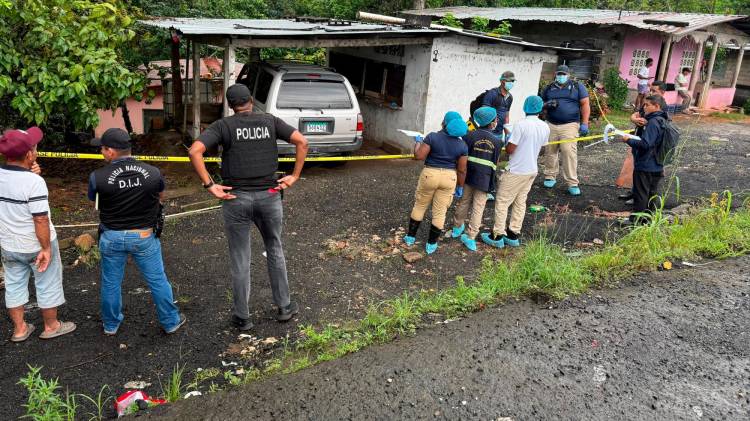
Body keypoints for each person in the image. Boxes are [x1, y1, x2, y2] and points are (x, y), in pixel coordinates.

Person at [188, 84, 309, 331]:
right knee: (274, 247)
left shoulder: (224, 126)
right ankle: (284, 307)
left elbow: (195, 151)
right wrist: (294, 176)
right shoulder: (269, 121)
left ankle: (242, 317)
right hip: (270, 196)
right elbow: (302, 141)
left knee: (240, 257)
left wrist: (210, 185)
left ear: (230, 105)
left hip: (236, 199)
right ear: (251, 100)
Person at [88, 128, 185, 335]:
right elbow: (160, 196)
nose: (101, 153)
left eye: (103, 149)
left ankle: (111, 325)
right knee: (157, 279)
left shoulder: (97, 177)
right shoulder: (153, 172)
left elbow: (94, 201)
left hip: (111, 236)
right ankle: (170, 321)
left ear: (112, 152)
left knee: (111, 282)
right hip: (143, 236)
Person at [0, 127, 76, 342]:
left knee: (14, 284)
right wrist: (45, 248)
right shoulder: (34, 183)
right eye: (34, 147)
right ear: (28, 155)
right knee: (47, 280)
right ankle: (51, 326)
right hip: (36, 244)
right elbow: (40, 218)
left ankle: (20, 329)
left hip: (9, 244)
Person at [482, 96, 550, 248]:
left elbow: (511, 149)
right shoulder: (545, 126)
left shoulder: (520, 125)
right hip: (531, 169)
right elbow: (543, 149)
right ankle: (513, 234)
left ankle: (497, 235)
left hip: (516, 170)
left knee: (502, 201)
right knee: (520, 202)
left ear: (525, 108)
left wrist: (508, 137)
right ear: (539, 109)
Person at [403, 111, 468, 255]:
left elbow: (418, 156)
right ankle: (431, 244)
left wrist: (418, 141)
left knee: (420, 205)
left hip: (430, 174)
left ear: (444, 123)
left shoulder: (433, 137)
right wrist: (460, 186)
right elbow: (462, 170)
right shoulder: (462, 145)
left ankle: (410, 238)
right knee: (440, 212)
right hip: (449, 178)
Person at [450, 107, 502, 251]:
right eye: (496, 119)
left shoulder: (469, 136)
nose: (497, 121)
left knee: (464, 201)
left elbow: (462, 159)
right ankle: (471, 236)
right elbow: (495, 164)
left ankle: (457, 227)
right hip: (485, 179)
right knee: (478, 207)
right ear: (492, 122)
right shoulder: (497, 142)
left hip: (468, 176)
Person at [540, 64, 590, 196]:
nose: (561, 76)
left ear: (569, 75)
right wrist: (546, 105)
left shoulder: (577, 87)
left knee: (568, 151)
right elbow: (540, 104)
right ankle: (550, 175)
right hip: (551, 123)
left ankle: (572, 182)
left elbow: (585, 104)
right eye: (559, 74)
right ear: (555, 74)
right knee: (550, 150)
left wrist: (585, 123)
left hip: (570, 124)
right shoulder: (549, 88)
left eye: (563, 74)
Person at [619, 95, 668, 224]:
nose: (644, 107)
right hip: (657, 163)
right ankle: (648, 219)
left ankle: (635, 220)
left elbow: (646, 144)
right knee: (651, 193)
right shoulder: (663, 119)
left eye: (647, 105)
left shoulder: (653, 122)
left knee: (641, 194)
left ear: (656, 106)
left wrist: (628, 139)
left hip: (646, 164)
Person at [481, 71, 515, 137]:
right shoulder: (492, 93)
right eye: (509, 81)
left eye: (512, 81)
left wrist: (507, 134)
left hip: (499, 134)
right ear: (502, 81)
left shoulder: (510, 97)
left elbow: (506, 116)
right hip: (488, 133)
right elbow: (483, 113)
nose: (511, 83)